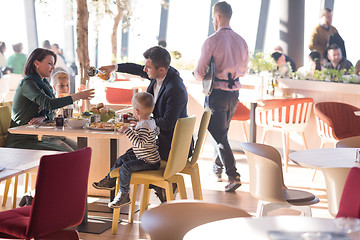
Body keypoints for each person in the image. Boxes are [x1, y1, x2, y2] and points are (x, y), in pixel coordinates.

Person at [92, 46, 190, 202]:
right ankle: (112, 179)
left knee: (133, 157)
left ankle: (159, 187)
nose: (144, 70)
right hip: (160, 138)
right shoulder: (160, 74)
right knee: (129, 155)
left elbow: (167, 123)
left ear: (162, 70)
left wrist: (142, 121)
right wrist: (113, 68)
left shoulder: (175, 89)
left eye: (148, 67)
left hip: (171, 146)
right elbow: (136, 68)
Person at [194, 1, 247, 192]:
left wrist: (198, 75)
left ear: (218, 17)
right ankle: (217, 168)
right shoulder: (242, 41)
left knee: (218, 134)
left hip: (216, 93)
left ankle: (233, 175)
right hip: (234, 94)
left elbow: (199, 72)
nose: (212, 22)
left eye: (212, 18)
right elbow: (244, 69)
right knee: (222, 133)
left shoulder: (212, 41)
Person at [5, 48, 94, 151]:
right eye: (50, 63)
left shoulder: (45, 84)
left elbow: (52, 110)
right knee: (67, 151)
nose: (53, 67)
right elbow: (50, 104)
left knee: (81, 149)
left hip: (34, 137)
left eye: (53, 64)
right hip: (19, 142)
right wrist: (78, 96)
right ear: (37, 63)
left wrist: (44, 117)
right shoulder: (27, 83)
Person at [107, 92, 161, 208]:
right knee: (123, 158)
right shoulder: (150, 121)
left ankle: (124, 195)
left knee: (126, 167)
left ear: (136, 111)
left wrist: (128, 131)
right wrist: (137, 126)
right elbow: (156, 131)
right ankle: (109, 179)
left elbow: (140, 144)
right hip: (147, 157)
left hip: (148, 162)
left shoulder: (144, 126)